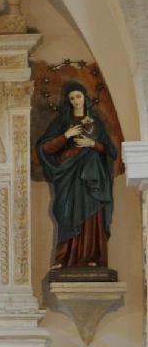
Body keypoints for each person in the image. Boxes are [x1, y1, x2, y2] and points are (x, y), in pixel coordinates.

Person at [36, 83, 115, 268]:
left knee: (92, 213)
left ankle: (93, 257)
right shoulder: (62, 121)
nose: (76, 101)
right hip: (69, 175)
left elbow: (111, 151)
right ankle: (63, 259)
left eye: (78, 96)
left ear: (85, 98)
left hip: (92, 176)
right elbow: (45, 148)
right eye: (71, 98)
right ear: (68, 101)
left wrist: (92, 144)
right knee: (67, 212)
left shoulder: (96, 123)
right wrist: (66, 135)